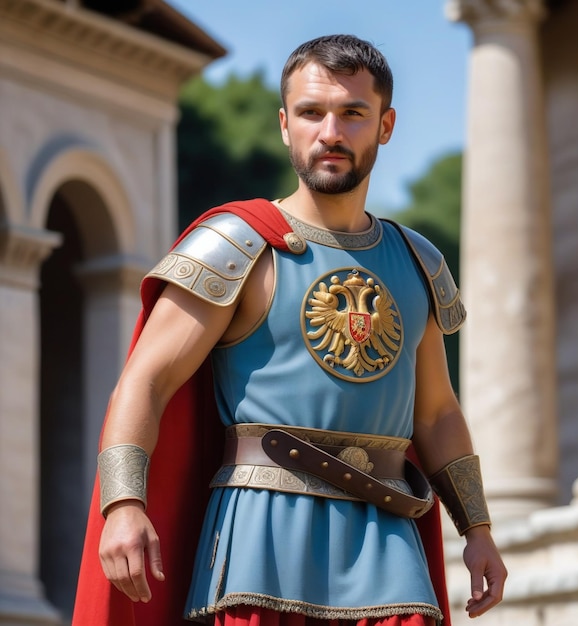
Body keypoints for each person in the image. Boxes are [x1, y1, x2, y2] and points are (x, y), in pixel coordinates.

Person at [73, 34, 506, 626]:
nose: (330, 132)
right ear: (284, 124)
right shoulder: (237, 246)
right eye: (311, 112)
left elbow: (435, 415)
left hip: (389, 549)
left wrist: (476, 529)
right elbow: (144, 382)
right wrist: (123, 504)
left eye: (353, 113)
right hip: (259, 543)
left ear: (385, 125)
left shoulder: (416, 262)